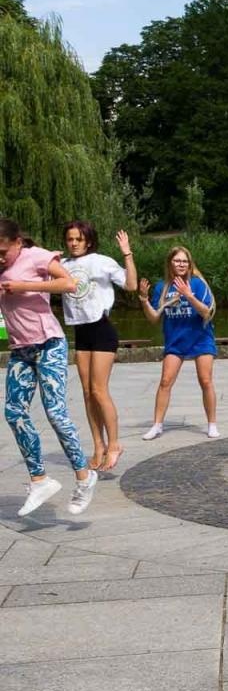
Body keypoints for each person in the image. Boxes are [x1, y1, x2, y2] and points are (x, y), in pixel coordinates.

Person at [1, 219, 99, 517]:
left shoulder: (37, 256)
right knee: (14, 412)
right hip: (21, 350)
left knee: (55, 412)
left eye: (4, 251)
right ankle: (40, 479)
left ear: (18, 242)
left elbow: (70, 284)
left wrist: (24, 286)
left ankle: (84, 475)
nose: (0, 257)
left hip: (49, 345)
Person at [60, 221, 138, 472]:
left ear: (88, 241)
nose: (73, 243)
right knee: (86, 392)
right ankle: (98, 446)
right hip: (80, 331)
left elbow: (131, 285)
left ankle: (115, 444)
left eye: (78, 239)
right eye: (70, 239)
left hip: (102, 329)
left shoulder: (102, 261)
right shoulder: (61, 266)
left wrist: (127, 254)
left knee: (99, 390)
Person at [138, 246, 219, 440]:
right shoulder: (162, 287)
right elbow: (154, 318)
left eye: (184, 261)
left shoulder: (198, 284)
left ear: (189, 264)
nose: (181, 264)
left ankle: (212, 424)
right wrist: (143, 300)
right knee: (165, 381)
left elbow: (207, 312)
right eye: (177, 261)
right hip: (175, 340)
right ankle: (157, 425)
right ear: (170, 263)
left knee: (205, 380)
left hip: (200, 338)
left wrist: (188, 295)